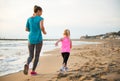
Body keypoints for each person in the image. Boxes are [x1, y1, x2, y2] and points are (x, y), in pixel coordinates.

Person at [23, 5, 47, 75]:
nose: (42, 13)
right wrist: (44, 32)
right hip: (38, 39)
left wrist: (33, 29)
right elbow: (41, 27)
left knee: (31, 55)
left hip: (30, 39)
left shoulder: (29, 19)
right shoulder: (40, 18)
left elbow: (26, 29)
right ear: (38, 11)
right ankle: (33, 71)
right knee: (37, 56)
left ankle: (27, 64)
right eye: (41, 11)